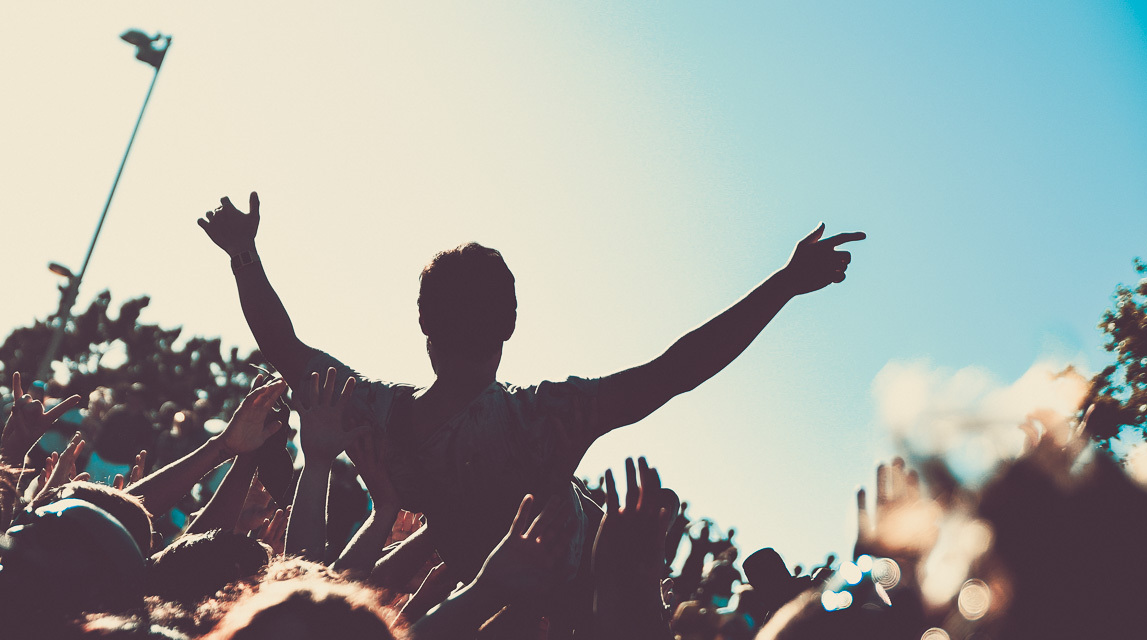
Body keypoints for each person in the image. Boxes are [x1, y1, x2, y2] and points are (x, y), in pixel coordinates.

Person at [198, 193, 864, 581]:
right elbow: (674, 371)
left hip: (514, 606)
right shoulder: (546, 419)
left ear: (424, 326)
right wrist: (783, 284)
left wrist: (244, 258)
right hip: (568, 614)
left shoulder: (383, 416)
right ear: (509, 328)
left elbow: (288, 351)